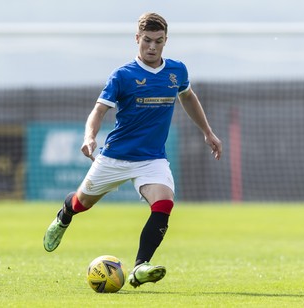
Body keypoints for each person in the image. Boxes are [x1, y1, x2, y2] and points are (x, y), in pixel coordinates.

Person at [43, 12, 222, 288]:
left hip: (152, 159)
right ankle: (65, 215)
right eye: (147, 40)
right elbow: (99, 110)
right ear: (137, 39)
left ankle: (140, 267)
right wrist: (90, 137)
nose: (152, 47)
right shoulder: (123, 75)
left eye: (159, 41)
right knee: (82, 203)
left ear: (165, 41)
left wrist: (207, 131)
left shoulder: (177, 71)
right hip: (114, 156)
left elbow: (188, 97)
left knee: (164, 204)